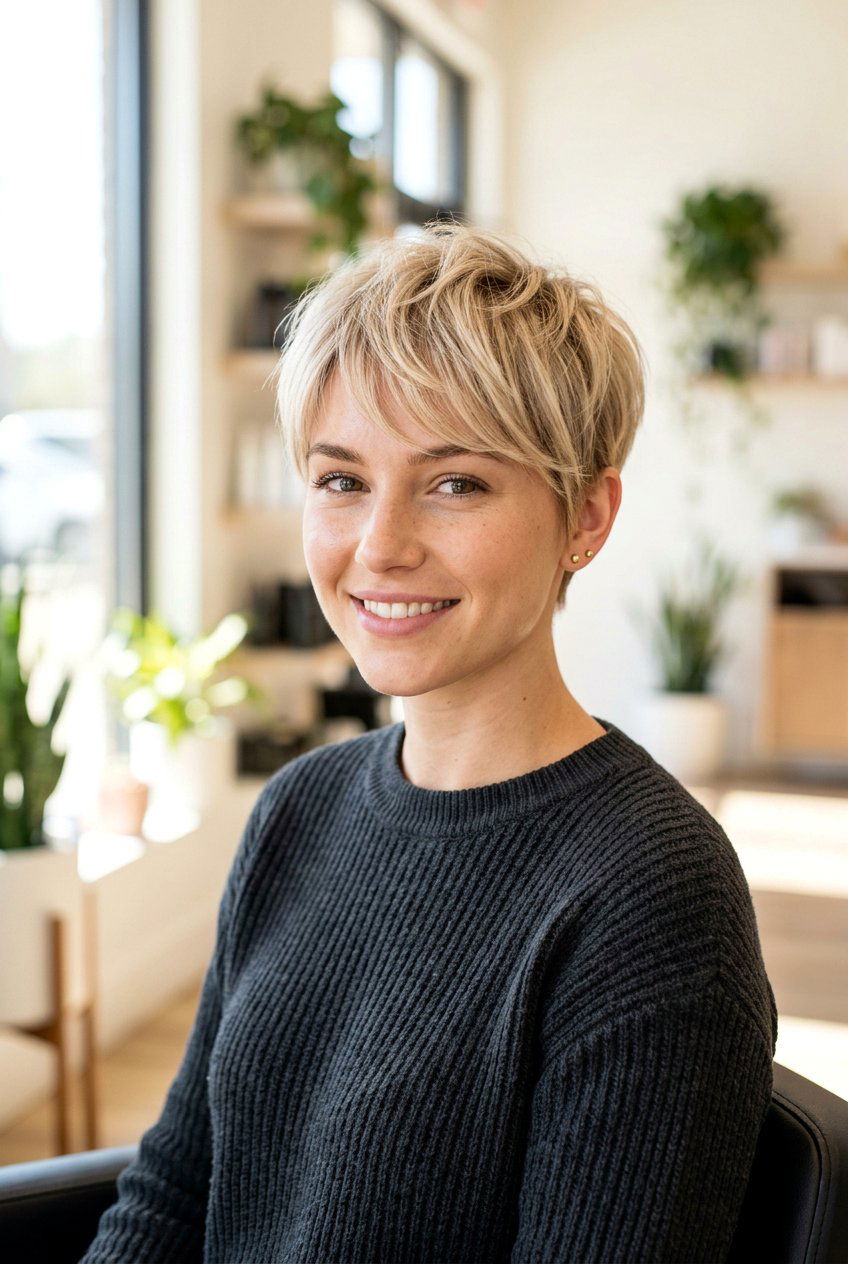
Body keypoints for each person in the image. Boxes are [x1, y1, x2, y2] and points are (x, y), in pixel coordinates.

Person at [81, 222, 777, 1263]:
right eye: (341, 480)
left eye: (455, 483)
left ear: (586, 517)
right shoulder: (299, 807)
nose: (380, 546)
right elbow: (177, 1191)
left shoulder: (649, 895)